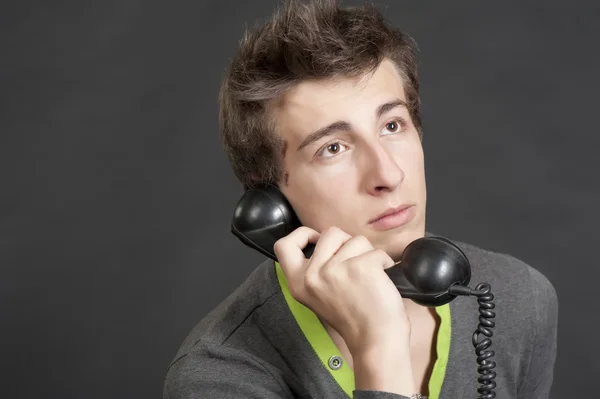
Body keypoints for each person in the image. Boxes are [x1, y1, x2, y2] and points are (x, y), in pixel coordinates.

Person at [163, 0, 558, 398]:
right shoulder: (217, 376)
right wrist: (379, 347)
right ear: (267, 195)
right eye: (333, 148)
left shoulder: (519, 300)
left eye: (392, 125)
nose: (388, 174)